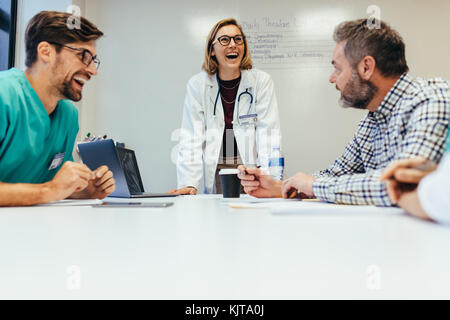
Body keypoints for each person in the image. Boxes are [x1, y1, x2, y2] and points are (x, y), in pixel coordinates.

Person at [238, 18, 450, 206]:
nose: (332, 78)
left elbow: (404, 185)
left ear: (366, 67)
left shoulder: (430, 99)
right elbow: (335, 174)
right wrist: (280, 187)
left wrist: (316, 186)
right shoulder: (371, 121)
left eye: (338, 68)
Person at [0, 11, 115, 206]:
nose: (92, 71)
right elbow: (48, 189)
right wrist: (50, 190)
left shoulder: (68, 116)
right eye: (83, 56)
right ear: (46, 52)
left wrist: (84, 191)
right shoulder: (5, 96)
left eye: (93, 61)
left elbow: (45, 184)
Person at [169, 18, 281, 195]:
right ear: (212, 50)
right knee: (217, 216)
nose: (232, 45)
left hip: (249, 168)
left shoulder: (261, 81)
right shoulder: (198, 85)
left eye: (238, 39)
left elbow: (268, 134)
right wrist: (189, 183)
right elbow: (191, 138)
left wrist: (271, 179)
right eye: (224, 40)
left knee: (253, 217)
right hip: (217, 168)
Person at [380, 130, 450, 223]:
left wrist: (401, 194)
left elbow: (441, 196)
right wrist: (437, 173)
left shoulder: (428, 116)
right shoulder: (367, 124)